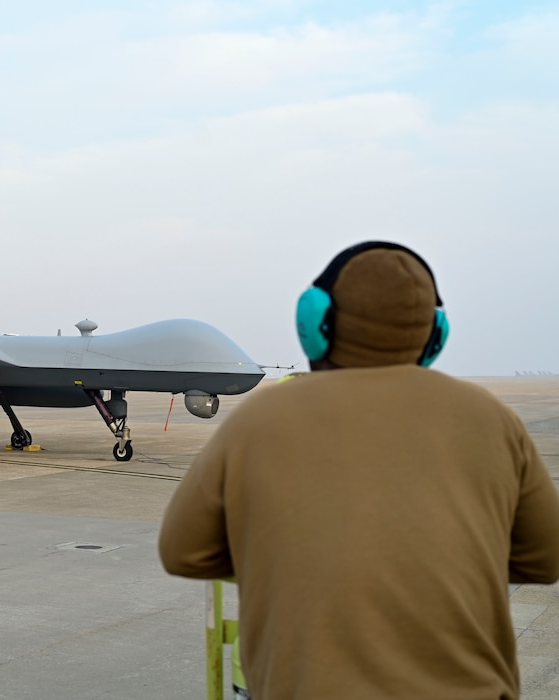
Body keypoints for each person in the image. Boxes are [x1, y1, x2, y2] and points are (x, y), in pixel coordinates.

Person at [158, 241, 559, 699]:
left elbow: (183, 551)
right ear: (435, 334)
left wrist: (287, 560)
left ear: (315, 324)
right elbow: (544, 560)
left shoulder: (262, 418)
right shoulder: (493, 419)